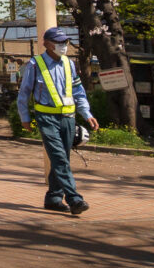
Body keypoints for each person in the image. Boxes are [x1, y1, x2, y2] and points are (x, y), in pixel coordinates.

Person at [16, 27, 99, 214]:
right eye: (59, 42)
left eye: (65, 42)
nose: (63, 46)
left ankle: (54, 198)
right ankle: (74, 199)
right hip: (46, 118)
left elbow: (78, 92)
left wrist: (87, 114)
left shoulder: (69, 64)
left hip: (68, 118)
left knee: (61, 158)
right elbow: (24, 93)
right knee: (60, 157)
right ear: (46, 44)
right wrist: (25, 117)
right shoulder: (35, 64)